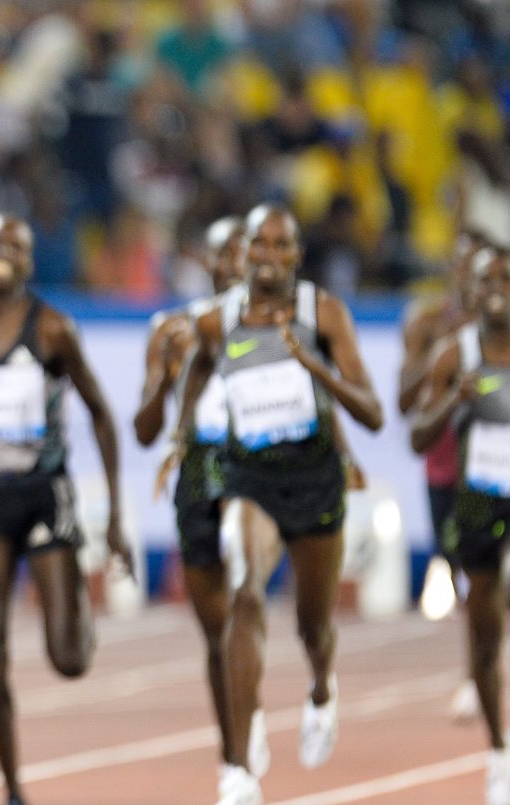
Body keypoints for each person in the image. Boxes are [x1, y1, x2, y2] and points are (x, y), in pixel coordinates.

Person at [163, 204, 384, 805]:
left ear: (296, 255)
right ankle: (237, 768)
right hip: (249, 478)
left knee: (313, 624)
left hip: (313, 480)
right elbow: (195, 379)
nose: (266, 255)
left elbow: (373, 411)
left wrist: (318, 369)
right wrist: (179, 441)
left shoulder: (323, 314)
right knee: (244, 589)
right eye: (257, 244)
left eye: (279, 246)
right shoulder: (217, 322)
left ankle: (320, 688)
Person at [0, 212, 131, 805]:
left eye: (17, 245)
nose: (4, 252)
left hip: (42, 495)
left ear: (30, 263)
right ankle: (12, 787)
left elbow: (101, 413)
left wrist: (113, 515)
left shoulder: (54, 329)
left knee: (67, 661)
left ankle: (74, 612)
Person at [410, 247, 510, 805]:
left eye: (506, 276)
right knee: (482, 635)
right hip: (475, 506)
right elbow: (418, 436)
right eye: (485, 279)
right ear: (470, 292)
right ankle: (497, 752)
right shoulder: (457, 354)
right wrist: (453, 398)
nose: (495, 286)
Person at [134, 216, 250, 797]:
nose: (233, 262)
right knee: (216, 627)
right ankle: (234, 756)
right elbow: (143, 428)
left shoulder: (279, 323)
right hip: (198, 471)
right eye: (222, 252)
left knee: (246, 602)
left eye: (242, 251)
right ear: (205, 261)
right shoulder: (173, 328)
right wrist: (167, 374)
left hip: (257, 469)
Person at [397, 228, 488, 720]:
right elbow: (403, 400)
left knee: (493, 580)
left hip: (496, 469)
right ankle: (482, 666)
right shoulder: (427, 323)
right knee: (461, 580)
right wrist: (440, 356)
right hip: (444, 467)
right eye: (462, 264)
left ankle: (480, 678)